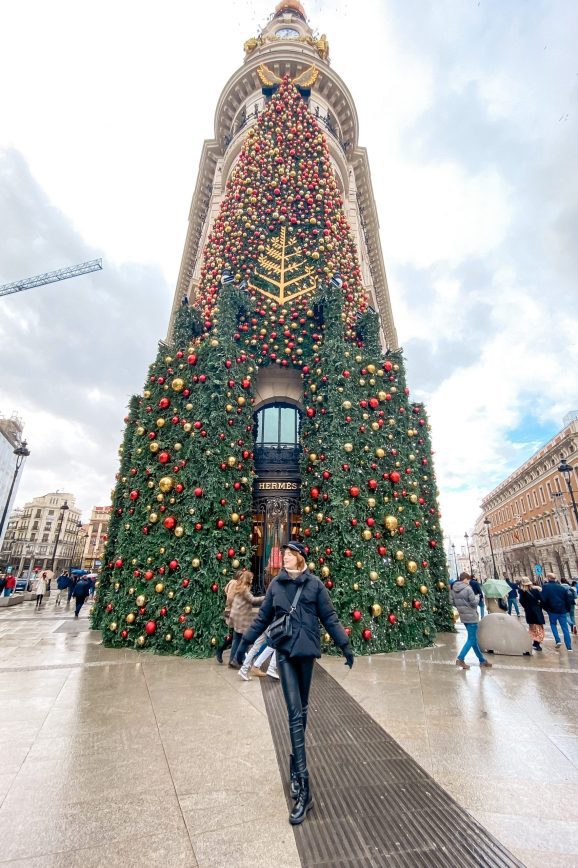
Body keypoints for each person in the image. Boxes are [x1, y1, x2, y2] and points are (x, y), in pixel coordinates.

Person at [235, 541, 354, 826]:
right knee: (294, 713)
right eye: (283, 555)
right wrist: (245, 645)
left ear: (300, 558)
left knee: (302, 708)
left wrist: (345, 645)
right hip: (286, 653)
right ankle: (304, 788)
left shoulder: (315, 586)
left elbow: (330, 617)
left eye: (289, 555)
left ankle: (293, 762)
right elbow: (263, 618)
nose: (284, 558)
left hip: (307, 653)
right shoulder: (276, 585)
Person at [452, 572, 492, 669]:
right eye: (468, 580)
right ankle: (460, 658)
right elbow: (474, 603)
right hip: (471, 617)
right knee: (471, 639)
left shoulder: (453, 590)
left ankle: (482, 661)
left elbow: (452, 602)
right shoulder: (468, 589)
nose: (469, 581)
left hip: (464, 617)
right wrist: (477, 597)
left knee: (473, 640)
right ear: (465, 579)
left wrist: (462, 607)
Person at [228, 570, 264, 666]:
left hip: (236, 615)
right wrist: (265, 597)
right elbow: (252, 600)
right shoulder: (244, 588)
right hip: (241, 617)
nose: (252, 580)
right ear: (248, 579)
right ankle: (237, 659)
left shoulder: (240, 586)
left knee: (236, 639)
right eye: (251, 578)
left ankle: (232, 660)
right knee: (245, 639)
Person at [215, 569, 244, 665]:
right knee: (237, 635)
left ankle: (222, 650)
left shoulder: (237, 584)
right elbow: (230, 598)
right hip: (232, 612)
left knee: (235, 636)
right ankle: (231, 657)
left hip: (235, 612)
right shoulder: (234, 583)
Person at [540, 573, 573, 651]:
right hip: (562, 610)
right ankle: (569, 647)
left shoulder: (545, 587)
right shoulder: (561, 587)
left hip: (552, 610)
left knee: (553, 624)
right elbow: (567, 600)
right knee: (565, 628)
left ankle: (558, 640)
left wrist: (546, 608)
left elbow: (543, 599)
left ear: (548, 578)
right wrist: (567, 609)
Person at [518, 576, 545, 650]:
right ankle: (537, 643)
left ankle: (535, 643)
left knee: (532, 627)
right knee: (539, 627)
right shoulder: (536, 591)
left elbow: (521, 601)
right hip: (537, 610)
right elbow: (542, 600)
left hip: (529, 611)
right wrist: (539, 606)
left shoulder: (522, 592)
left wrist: (526, 607)